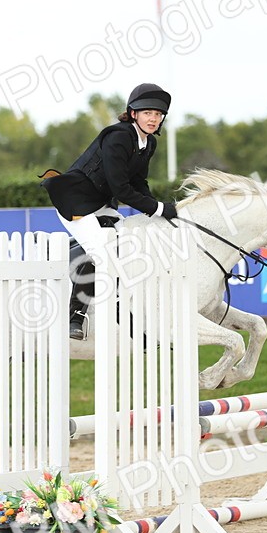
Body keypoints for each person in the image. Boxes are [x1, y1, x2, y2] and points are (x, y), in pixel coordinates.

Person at [40, 82, 178, 340]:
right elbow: (122, 189)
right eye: (148, 113)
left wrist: (157, 211)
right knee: (102, 255)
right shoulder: (118, 137)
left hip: (102, 204)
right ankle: (76, 316)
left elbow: (139, 183)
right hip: (76, 203)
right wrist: (159, 209)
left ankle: (75, 251)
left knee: (127, 244)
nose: (154, 119)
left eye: (158, 115)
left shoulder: (148, 144)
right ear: (133, 113)